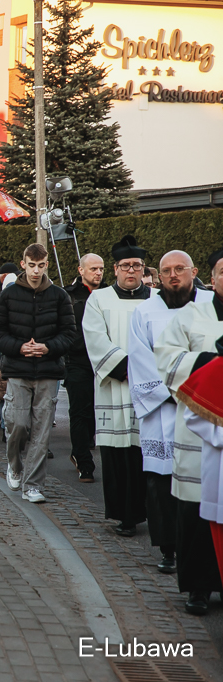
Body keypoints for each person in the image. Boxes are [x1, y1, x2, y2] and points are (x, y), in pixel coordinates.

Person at [129, 250, 212, 574]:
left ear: (194, 271)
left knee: (202, 482)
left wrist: (197, 392)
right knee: (161, 482)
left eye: (180, 268)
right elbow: (139, 358)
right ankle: (168, 547)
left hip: (204, 410)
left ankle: (203, 553)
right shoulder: (144, 312)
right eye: (166, 270)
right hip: (162, 411)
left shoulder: (211, 306)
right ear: (159, 276)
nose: (173, 275)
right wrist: (173, 392)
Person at [155, 247, 223, 616]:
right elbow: (167, 359)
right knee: (196, 513)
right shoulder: (190, 315)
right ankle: (198, 586)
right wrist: (212, 361)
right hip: (200, 431)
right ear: (211, 279)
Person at [0, 243, 76, 503]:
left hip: (48, 371)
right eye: (31, 265)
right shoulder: (8, 295)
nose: (36, 271)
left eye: (40, 266)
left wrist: (48, 347)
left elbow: (69, 333)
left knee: (42, 432)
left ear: (47, 265)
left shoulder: (60, 296)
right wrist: (19, 347)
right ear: (23, 264)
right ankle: (15, 465)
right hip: (18, 369)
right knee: (17, 425)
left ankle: (33, 486)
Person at [83, 236, 152, 535]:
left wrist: (147, 371)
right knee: (118, 453)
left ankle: (151, 514)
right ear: (115, 269)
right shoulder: (99, 299)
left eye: (136, 265)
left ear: (143, 268)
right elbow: (95, 338)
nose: (131, 270)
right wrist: (129, 368)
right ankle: (124, 515)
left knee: (146, 452)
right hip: (114, 386)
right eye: (125, 265)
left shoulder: (157, 299)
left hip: (150, 388)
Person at [177, 356, 223, 616]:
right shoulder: (215, 367)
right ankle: (201, 586)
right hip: (217, 460)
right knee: (207, 525)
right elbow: (193, 415)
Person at [63, 254, 107, 482]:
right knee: (80, 410)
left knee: (96, 411)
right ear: (81, 270)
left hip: (105, 360)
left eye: (101, 269)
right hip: (78, 360)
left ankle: (82, 446)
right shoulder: (68, 296)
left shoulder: (110, 294)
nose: (98, 273)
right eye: (93, 269)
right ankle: (83, 461)